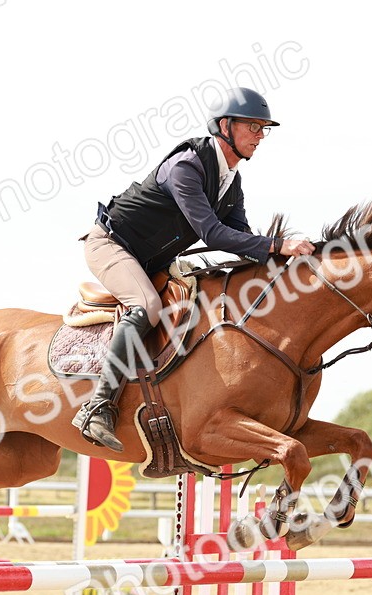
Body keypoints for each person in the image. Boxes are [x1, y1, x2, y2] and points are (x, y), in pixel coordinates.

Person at [73, 86, 315, 451]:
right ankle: (97, 407)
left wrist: (284, 262)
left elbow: (241, 237)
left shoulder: (231, 183)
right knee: (148, 308)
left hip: (154, 261)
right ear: (225, 126)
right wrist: (278, 245)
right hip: (112, 244)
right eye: (253, 126)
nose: (260, 136)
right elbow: (213, 233)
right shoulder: (186, 166)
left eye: (264, 128)